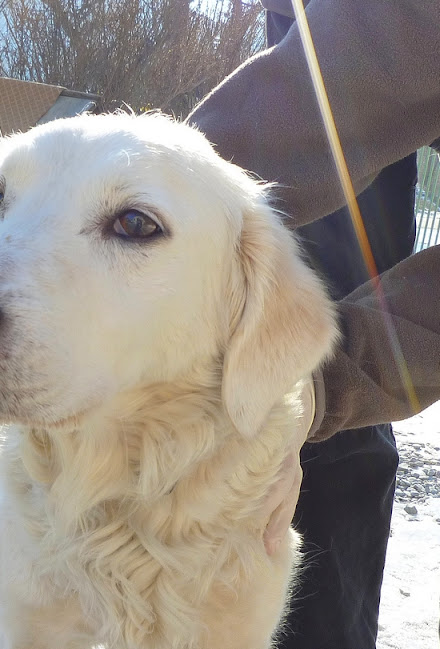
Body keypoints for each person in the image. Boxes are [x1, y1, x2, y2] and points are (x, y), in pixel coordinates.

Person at [186, 0, 440, 646]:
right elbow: (367, 57)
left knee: (324, 406)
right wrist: (154, 197)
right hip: (341, 23)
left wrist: (327, 386)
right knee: (301, 266)